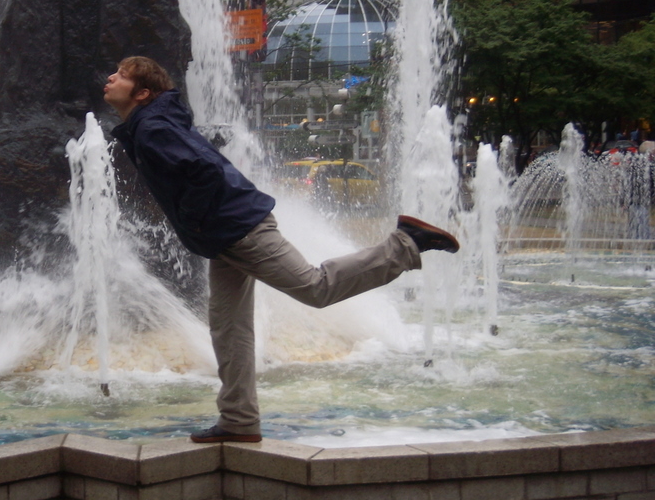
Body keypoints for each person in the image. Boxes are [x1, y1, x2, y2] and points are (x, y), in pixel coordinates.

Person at [105, 56, 460, 443]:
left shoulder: (153, 127)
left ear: (142, 93)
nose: (111, 78)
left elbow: (203, 172)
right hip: (224, 236)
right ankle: (239, 420)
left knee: (316, 287)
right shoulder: (150, 124)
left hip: (239, 229)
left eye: (121, 75)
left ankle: (406, 243)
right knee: (229, 329)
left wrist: (195, 220)